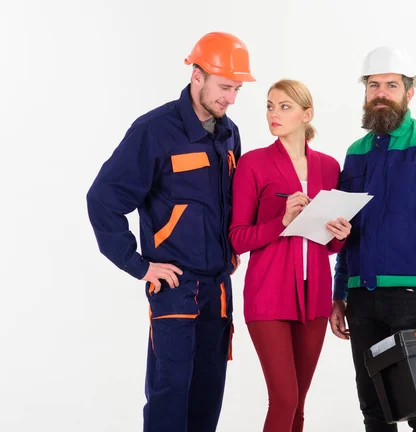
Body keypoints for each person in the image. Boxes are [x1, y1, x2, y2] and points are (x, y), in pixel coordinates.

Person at [86, 32, 255, 432]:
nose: (231, 99)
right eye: (225, 87)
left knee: (208, 396)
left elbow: (230, 204)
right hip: (176, 286)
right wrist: (138, 265)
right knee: (169, 397)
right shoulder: (154, 131)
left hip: (218, 288)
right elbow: (103, 199)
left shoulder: (228, 133)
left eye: (237, 89)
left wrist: (232, 249)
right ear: (197, 76)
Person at [329, 46, 416, 432]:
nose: (381, 93)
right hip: (361, 298)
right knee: (373, 407)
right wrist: (339, 294)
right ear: (365, 92)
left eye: (391, 85)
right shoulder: (355, 153)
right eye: (374, 85)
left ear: (409, 93)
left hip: (414, 296)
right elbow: (345, 229)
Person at [229, 79, 351, 432]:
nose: (274, 114)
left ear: (306, 114)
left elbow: (327, 244)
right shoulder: (253, 164)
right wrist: (280, 220)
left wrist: (340, 237)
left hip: (313, 301)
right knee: (284, 398)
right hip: (268, 297)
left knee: (298, 404)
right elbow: (237, 239)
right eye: (270, 106)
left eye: (284, 106)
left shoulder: (329, 168)